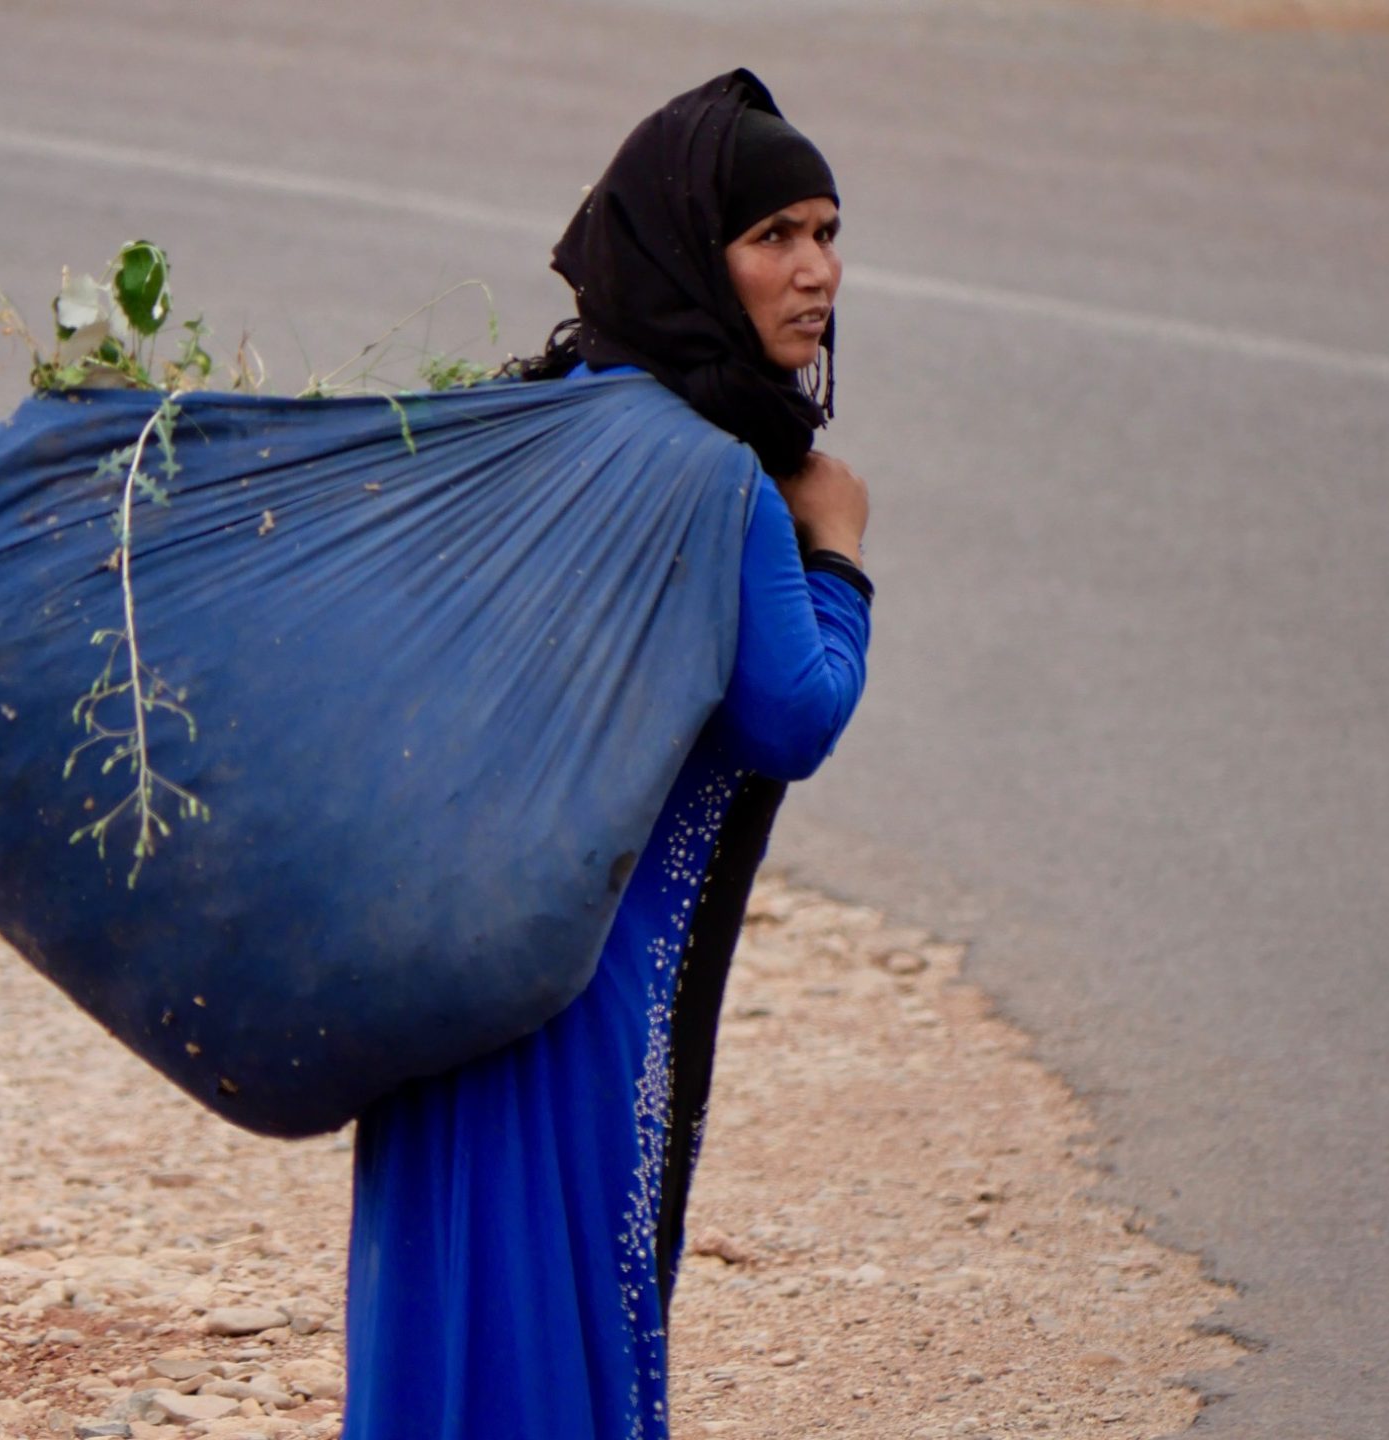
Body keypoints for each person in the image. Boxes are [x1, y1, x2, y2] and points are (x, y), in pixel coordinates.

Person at [341, 70, 873, 1440]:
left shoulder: (532, 423)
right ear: (696, 258)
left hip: (439, 973)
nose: (815, 270)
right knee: (572, 1328)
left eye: (826, 231)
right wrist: (840, 552)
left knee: (453, 1328)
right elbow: (792, 716)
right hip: (584, 994)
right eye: (774, 238)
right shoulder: (718, 477)